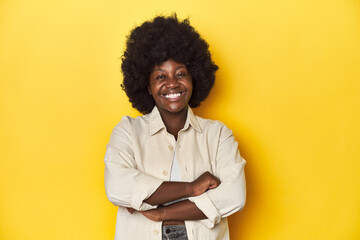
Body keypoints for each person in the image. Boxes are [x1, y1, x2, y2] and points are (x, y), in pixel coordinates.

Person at [104, 14, 246, 240]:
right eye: (160, 76)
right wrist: (192, 188)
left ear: (194, 78)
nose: (172, 83)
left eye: (180, 74)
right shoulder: (128, 132)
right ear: (147, 86)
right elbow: (118, 187)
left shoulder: (218, 135)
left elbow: (234, 195)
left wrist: (162, 212)